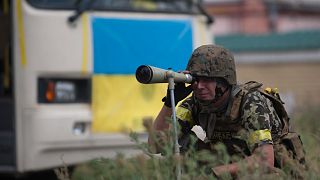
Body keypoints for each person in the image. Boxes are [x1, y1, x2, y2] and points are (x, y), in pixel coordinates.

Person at [148, 44, 306, 178]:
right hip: (228, 162)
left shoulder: (250, 102)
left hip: (269, 170)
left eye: (207, 79)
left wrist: (214, 174)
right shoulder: (195, 103)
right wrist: (169, 102)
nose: (200, 86)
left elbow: (265, 160)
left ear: (225, 81)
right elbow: (157, 146)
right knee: (181, 148)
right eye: (196, 79)